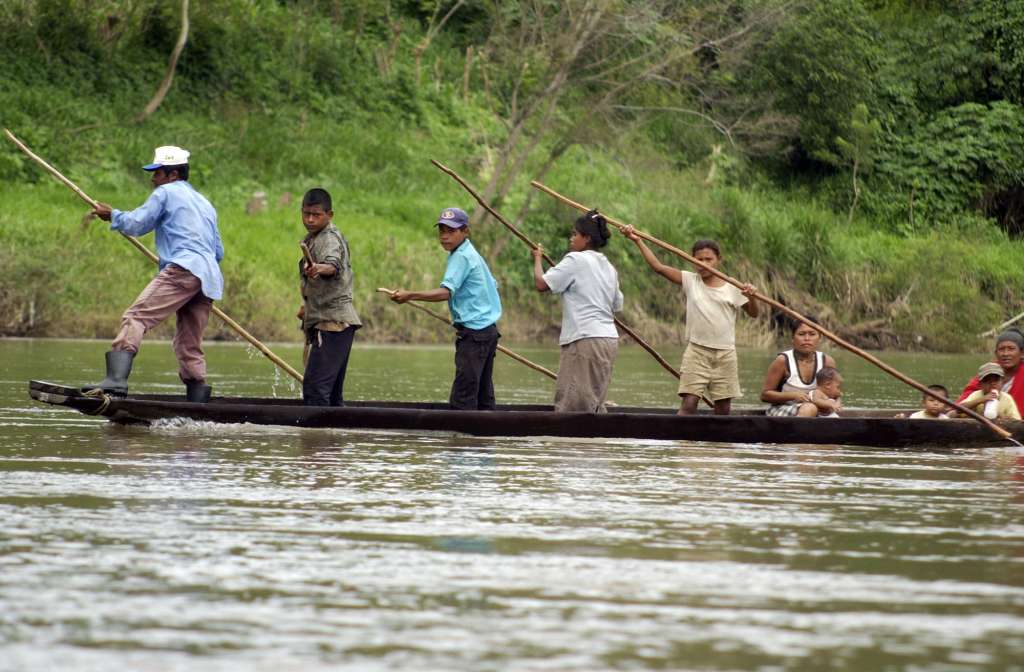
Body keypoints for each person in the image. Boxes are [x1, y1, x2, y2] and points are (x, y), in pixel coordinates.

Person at [85, 146, 224, 402]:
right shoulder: (205, 203)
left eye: (157, 173)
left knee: (136, 317)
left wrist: (112, 215)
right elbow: (218, 251)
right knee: (188, 341)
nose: (153, 179)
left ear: (172, 175)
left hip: (183, 268)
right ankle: (197, 396)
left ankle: (115, 381)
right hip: (208, 278)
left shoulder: (166, 192)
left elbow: (137, 224)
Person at [622, 228, 758, 415]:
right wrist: (637, 240)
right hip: (697, 351)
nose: (703, 263)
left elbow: (753, 313)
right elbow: (658, 267)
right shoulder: (690, 280)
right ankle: (682, 442)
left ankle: (717, 444)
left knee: (723, 407)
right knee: (689, 402)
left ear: (719, 260)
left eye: (708, 259)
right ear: (692, 260)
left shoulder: (732, 285)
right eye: (698, 259)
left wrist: (751, 297)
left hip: (725, 354)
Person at [390, 207, 502, 410]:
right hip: (487, 331)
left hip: (476, 333)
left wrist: (410, 295)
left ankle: (460, 438)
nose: (444, 236)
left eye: (451, 231)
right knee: (483, 394)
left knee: (463, 396)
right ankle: (487, 437)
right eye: (441, 231)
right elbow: (493, 285)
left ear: (465, 231)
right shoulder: (470, 252)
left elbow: (445, 293)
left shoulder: (462, 256)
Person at [532, 210, 623, 413]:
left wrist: (537, 258)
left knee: (573, 406)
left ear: (587, 238)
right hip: (608, 340)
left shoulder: (575, 260)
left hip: (585, 339)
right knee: (593, 402)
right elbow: (617, 305)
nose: (571, 239)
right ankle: (592, 443)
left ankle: (575, 445)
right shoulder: (609, 267)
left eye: (575, 234)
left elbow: (541, 284)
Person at [297, 188, 362, 406]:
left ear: (329, 215)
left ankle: (317, 439)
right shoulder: (314, 238)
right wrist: (307, 306)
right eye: (306, 214)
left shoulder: (329, 239)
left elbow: (333, 265)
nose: (310, 219)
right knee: (331, 396)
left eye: (316, 215)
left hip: (333, 325)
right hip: (333, 323)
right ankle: (331, 438)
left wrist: (319, 268)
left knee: (315, 390)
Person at [760, 320, 837, 417]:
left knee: (833, 417)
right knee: (809, 409)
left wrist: (831, 402)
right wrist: (793, 395)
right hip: (783, 409)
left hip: (818, 408)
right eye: (801, 334)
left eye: (812, 334)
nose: (807, 338)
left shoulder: (827, 361)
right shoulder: (782, 361)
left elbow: (835, 394)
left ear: (819, 338)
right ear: (793, 338)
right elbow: (765, 395)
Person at [956, 328, 1024, 417]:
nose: (1005, 354)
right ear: (996, 353)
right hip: (981, 418)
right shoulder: (989, 370)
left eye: (1011, 349)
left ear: (1022, 352)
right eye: (1001, 349)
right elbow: (963, 401)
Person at [954, 362, 1021, 420]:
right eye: (987, 381)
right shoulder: (977, 395)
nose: (992, 384)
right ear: (980, 385)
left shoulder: (1007, 398)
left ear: (1002, 382)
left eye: (996, 380)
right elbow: (958, 409)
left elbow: (1017, 422)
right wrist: (981, 400)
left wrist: (1001, 416)